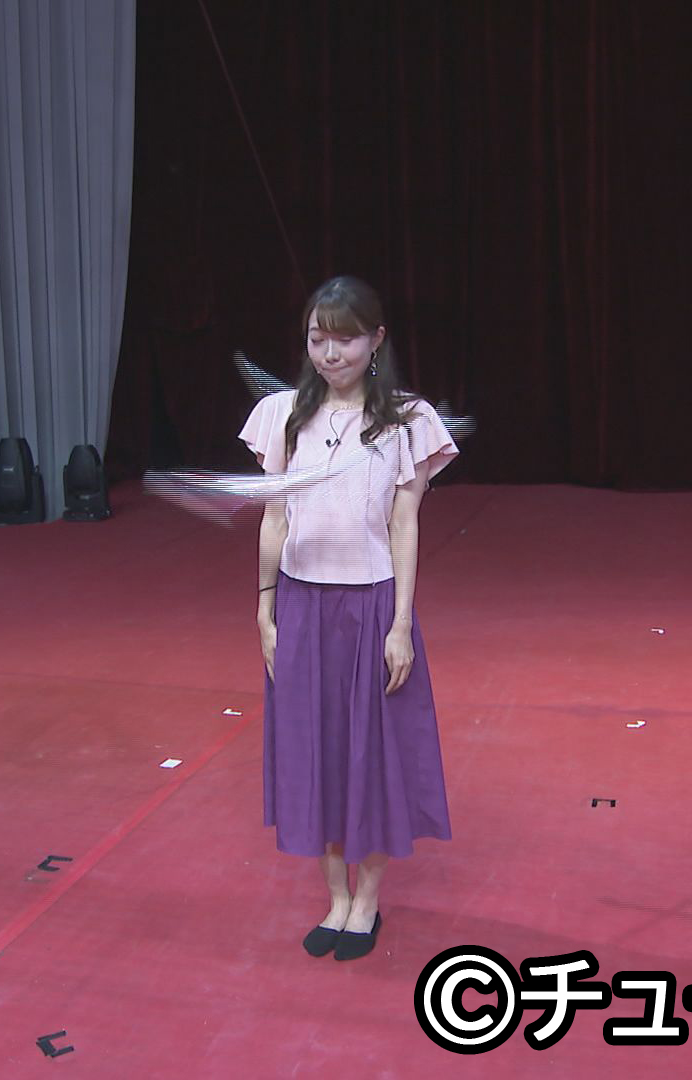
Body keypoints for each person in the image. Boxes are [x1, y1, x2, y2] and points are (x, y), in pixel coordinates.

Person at [239, 275, 458, 961]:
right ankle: (335, 896)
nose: (330, 354)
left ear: (376, 340)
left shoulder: (408, 420)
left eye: (345, 339)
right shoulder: (283, 414)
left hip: (370, 607)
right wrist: (266, 606)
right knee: (316, 750)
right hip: (301, 604)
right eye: (317, 339)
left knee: (373, 752)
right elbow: (275, 518)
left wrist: (400, 623)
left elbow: (404, 523)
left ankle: (367, 901)